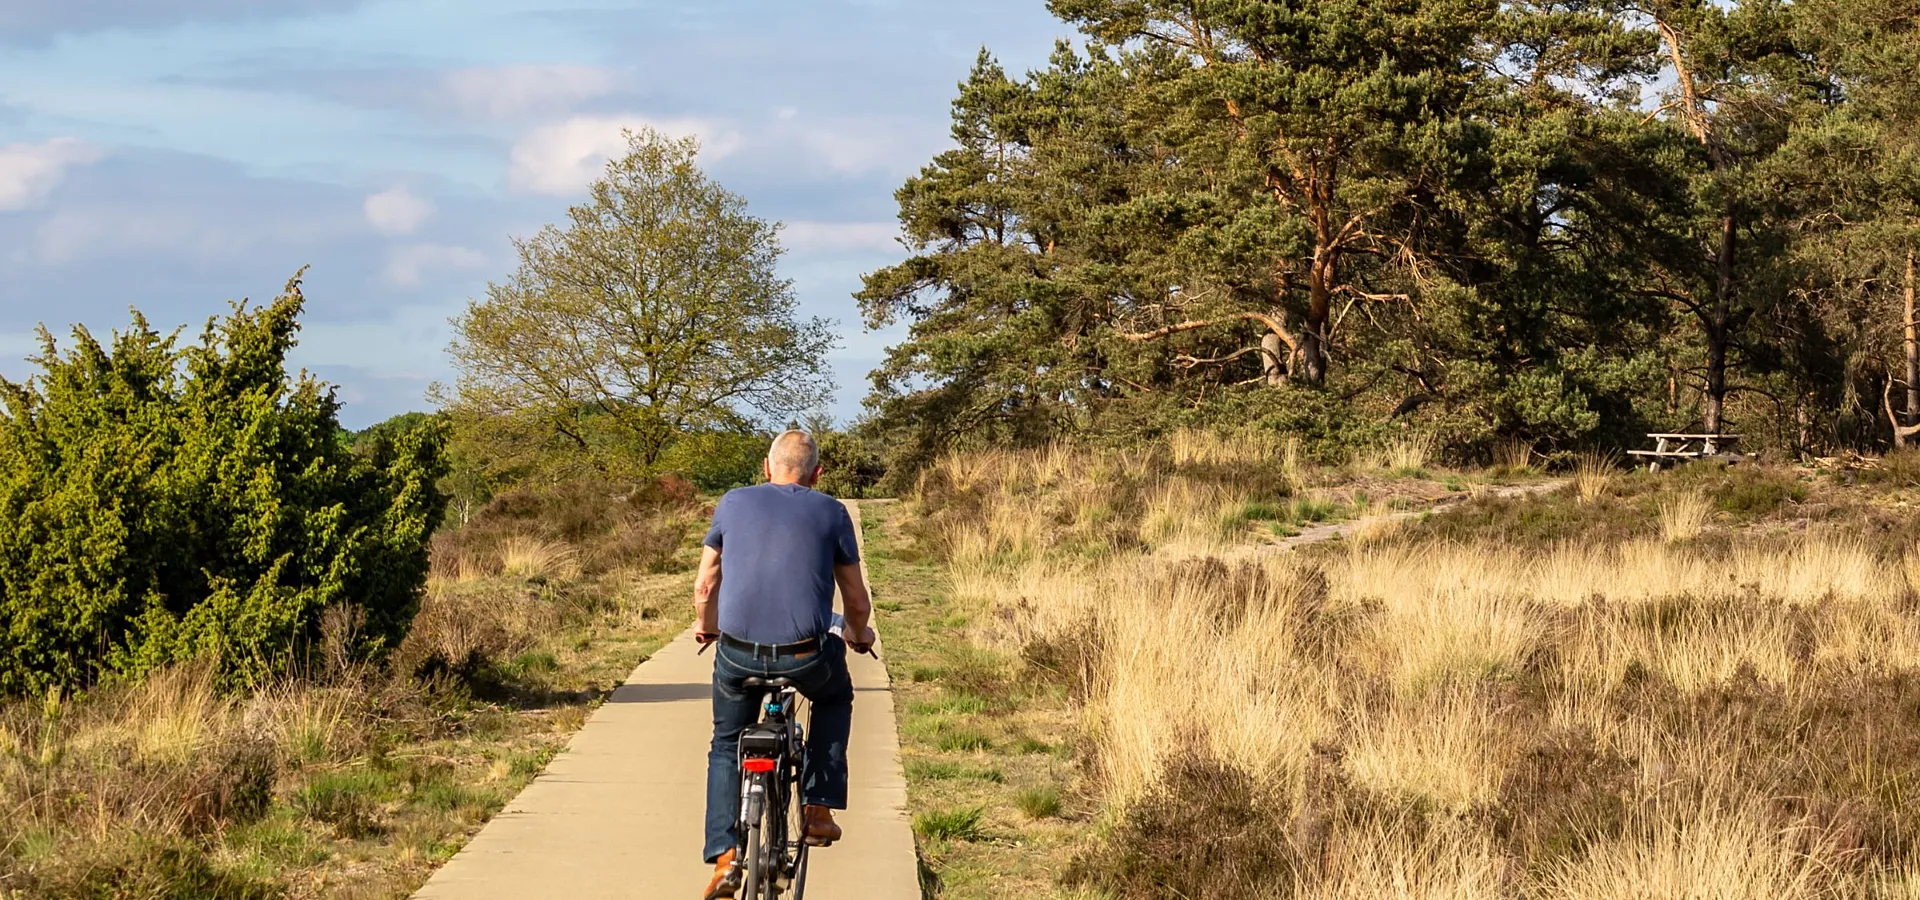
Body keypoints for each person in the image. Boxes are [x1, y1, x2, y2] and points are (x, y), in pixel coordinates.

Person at [694, 430, 876, 900]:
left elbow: (705, 584)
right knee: (835, 697)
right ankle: (817, 810)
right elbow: (856, 599)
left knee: (726, 743)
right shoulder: (831, 511)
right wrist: (858, 635)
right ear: (817, 474)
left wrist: (707, 627)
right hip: (805, 654)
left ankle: (724, 857)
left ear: (765, 466)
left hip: (736, 652)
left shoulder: (733, 503)